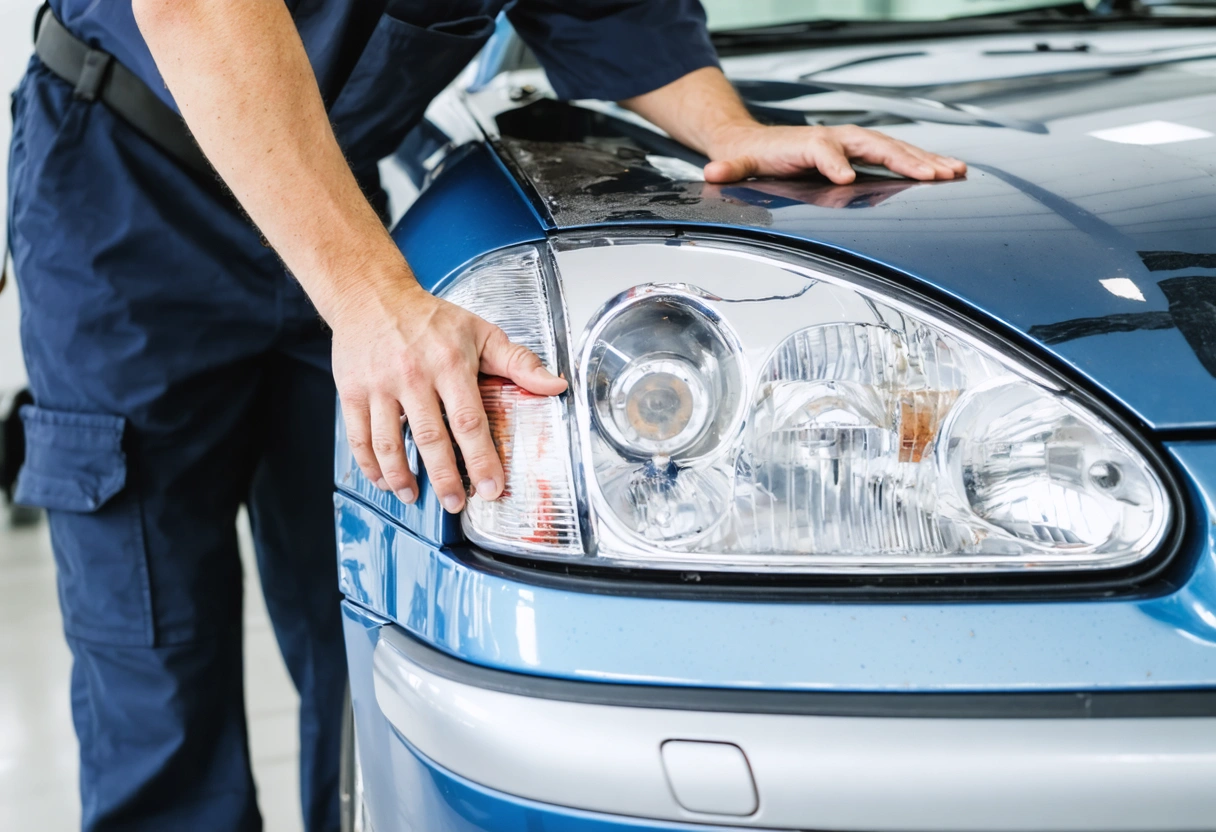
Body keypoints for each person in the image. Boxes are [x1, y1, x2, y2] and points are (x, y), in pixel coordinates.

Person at [5, 1, 966, 830]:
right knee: (156, 653)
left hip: (332, 196)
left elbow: (605, 9)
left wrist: (726, 127)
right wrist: (372, 300)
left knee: (358, 623)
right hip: (125, 189)